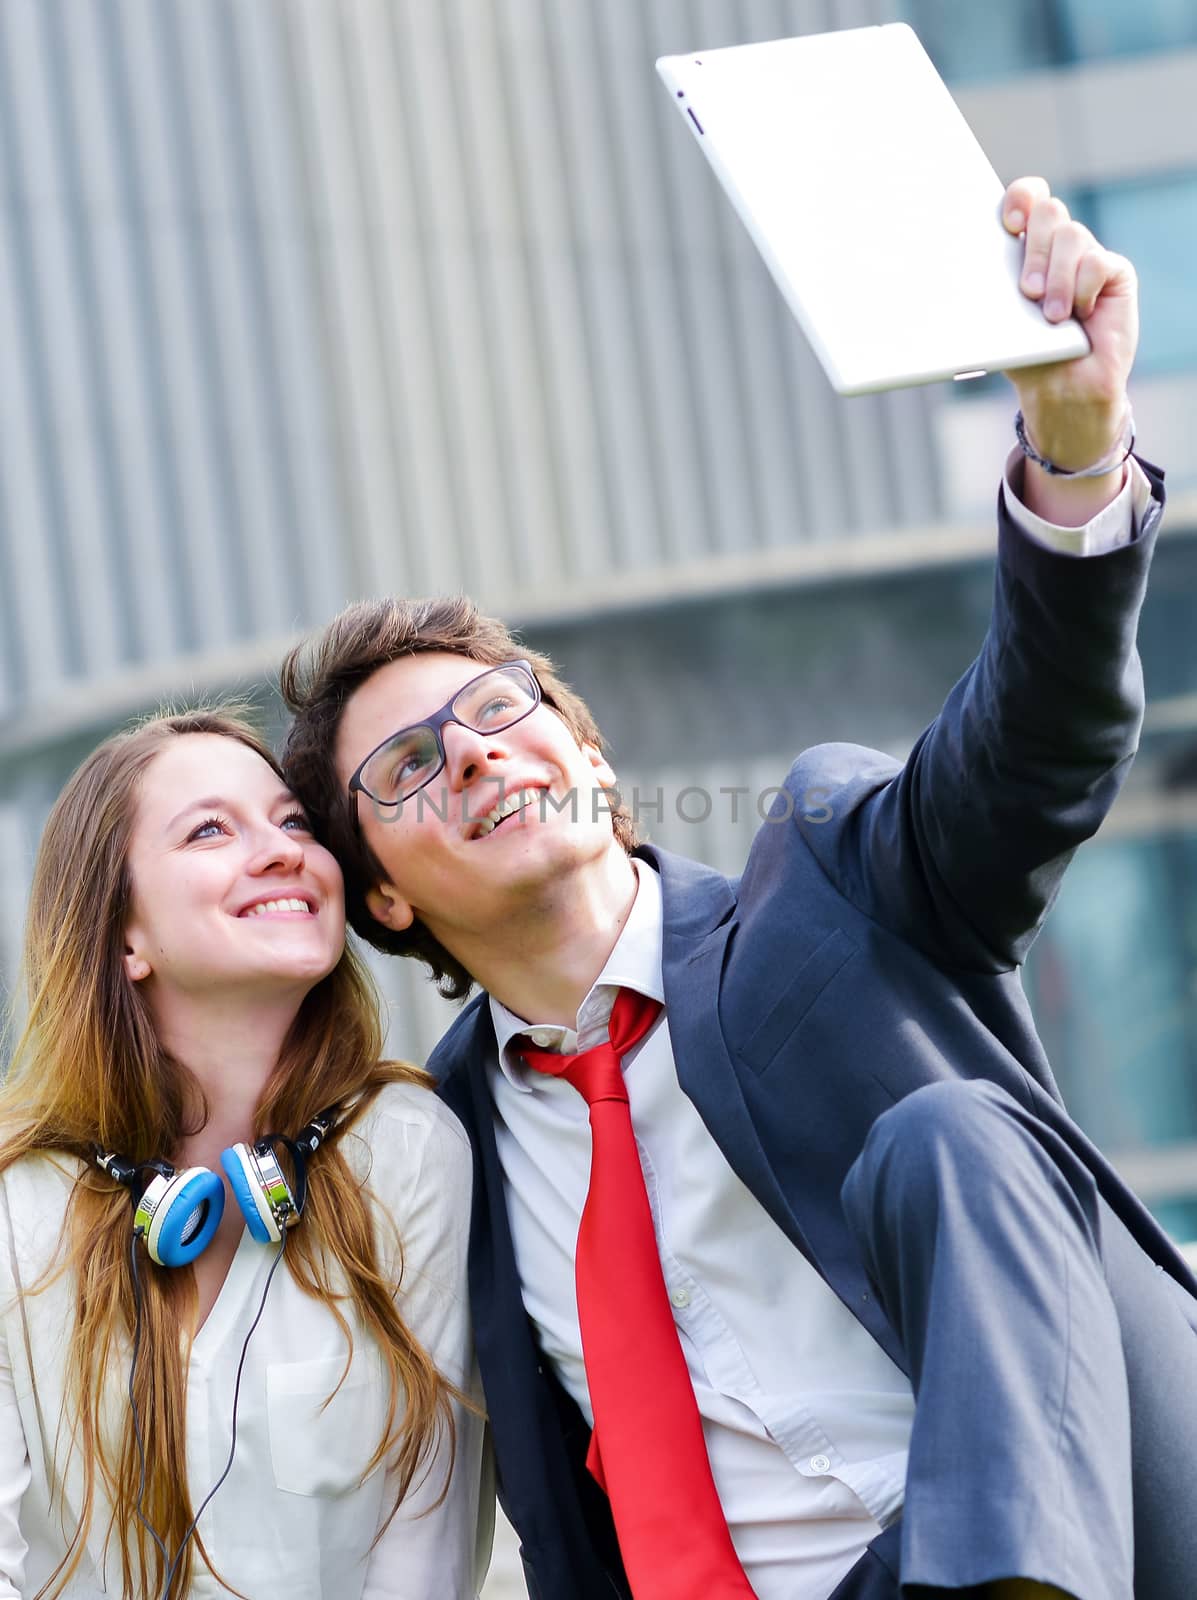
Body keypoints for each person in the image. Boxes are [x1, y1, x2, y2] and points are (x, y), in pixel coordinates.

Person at [279, 177, 1197, 1600]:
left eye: (500, 706)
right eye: (405, 765)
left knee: (948, 1135)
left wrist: (1075, 461)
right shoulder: (430, 1153)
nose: (471, 753)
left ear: (583, 749)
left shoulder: (829, 874)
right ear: (383, 897)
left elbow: (1031, 754)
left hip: (1065, 1532)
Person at [0, 709, 488, 1600]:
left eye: (293, 821)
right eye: (211, 829)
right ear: (122, 937)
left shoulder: (407, 1148)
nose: (281, 850)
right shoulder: (14, 1207)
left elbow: (425, 1555)